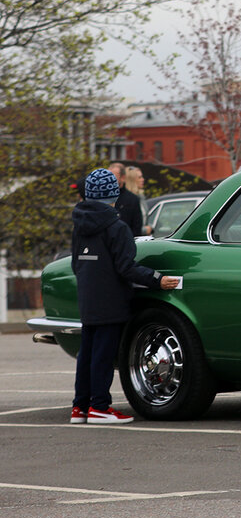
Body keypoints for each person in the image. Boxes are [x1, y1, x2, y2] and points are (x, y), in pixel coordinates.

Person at [70, 168, 179, 424]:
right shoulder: (116, 226)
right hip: (110, 300)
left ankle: (80, 407)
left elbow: (76, 263)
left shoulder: (79, 225)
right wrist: (157, 279)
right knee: (104, 356)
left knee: (87, 355)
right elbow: (126, 267)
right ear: (114, 194)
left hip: (87, 298)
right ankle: (100, 407)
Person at [108, 162, 148, 236]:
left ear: (123, 178)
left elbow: (137, 228)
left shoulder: (133, 200)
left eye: (113, 176)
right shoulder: (103, 196)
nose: (109, 179)